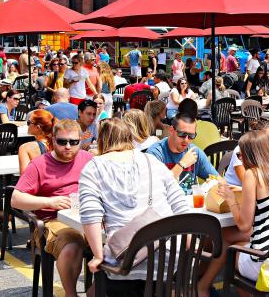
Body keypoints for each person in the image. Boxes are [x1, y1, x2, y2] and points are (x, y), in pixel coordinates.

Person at [79, 118, 189, 288]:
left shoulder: (94, 167)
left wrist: (98, 255)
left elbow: (90, 214)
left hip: (126, 261)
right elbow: (179, 202)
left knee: (102, 280)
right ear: (130, 137)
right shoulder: (151, 161)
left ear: (101, 140)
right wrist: (188, 240)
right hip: (170, 257)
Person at [198, 130, 269, 296]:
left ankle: (202, 287)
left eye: (240, 155)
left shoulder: (252, 174)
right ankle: (202, 286)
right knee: (228, 237)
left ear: (251, 154)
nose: (239, 159)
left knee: (232, 248)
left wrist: (231, 198)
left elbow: (244, 224)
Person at [11, 119, 94, 297]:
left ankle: (95, 291)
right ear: (53, 140)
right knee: (72, 245)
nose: (68, 146)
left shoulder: (88, 159)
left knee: (121, 243)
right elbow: (16, 199)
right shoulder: (39, 164)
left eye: (73, 142)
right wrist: (49, 202)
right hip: (52, 221)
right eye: (62, 141)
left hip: (88, 217)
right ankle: (71, 295)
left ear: (81, 140)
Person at [146, 113, 218, 184]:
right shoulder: (155, 153)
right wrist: (182, 165)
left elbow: (219, 179)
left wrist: (214, 182)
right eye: (182, 134)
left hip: (190, 195)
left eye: (191, 136)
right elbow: (154, 187)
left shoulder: (194, 152)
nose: (186, 140)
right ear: (171, 130)